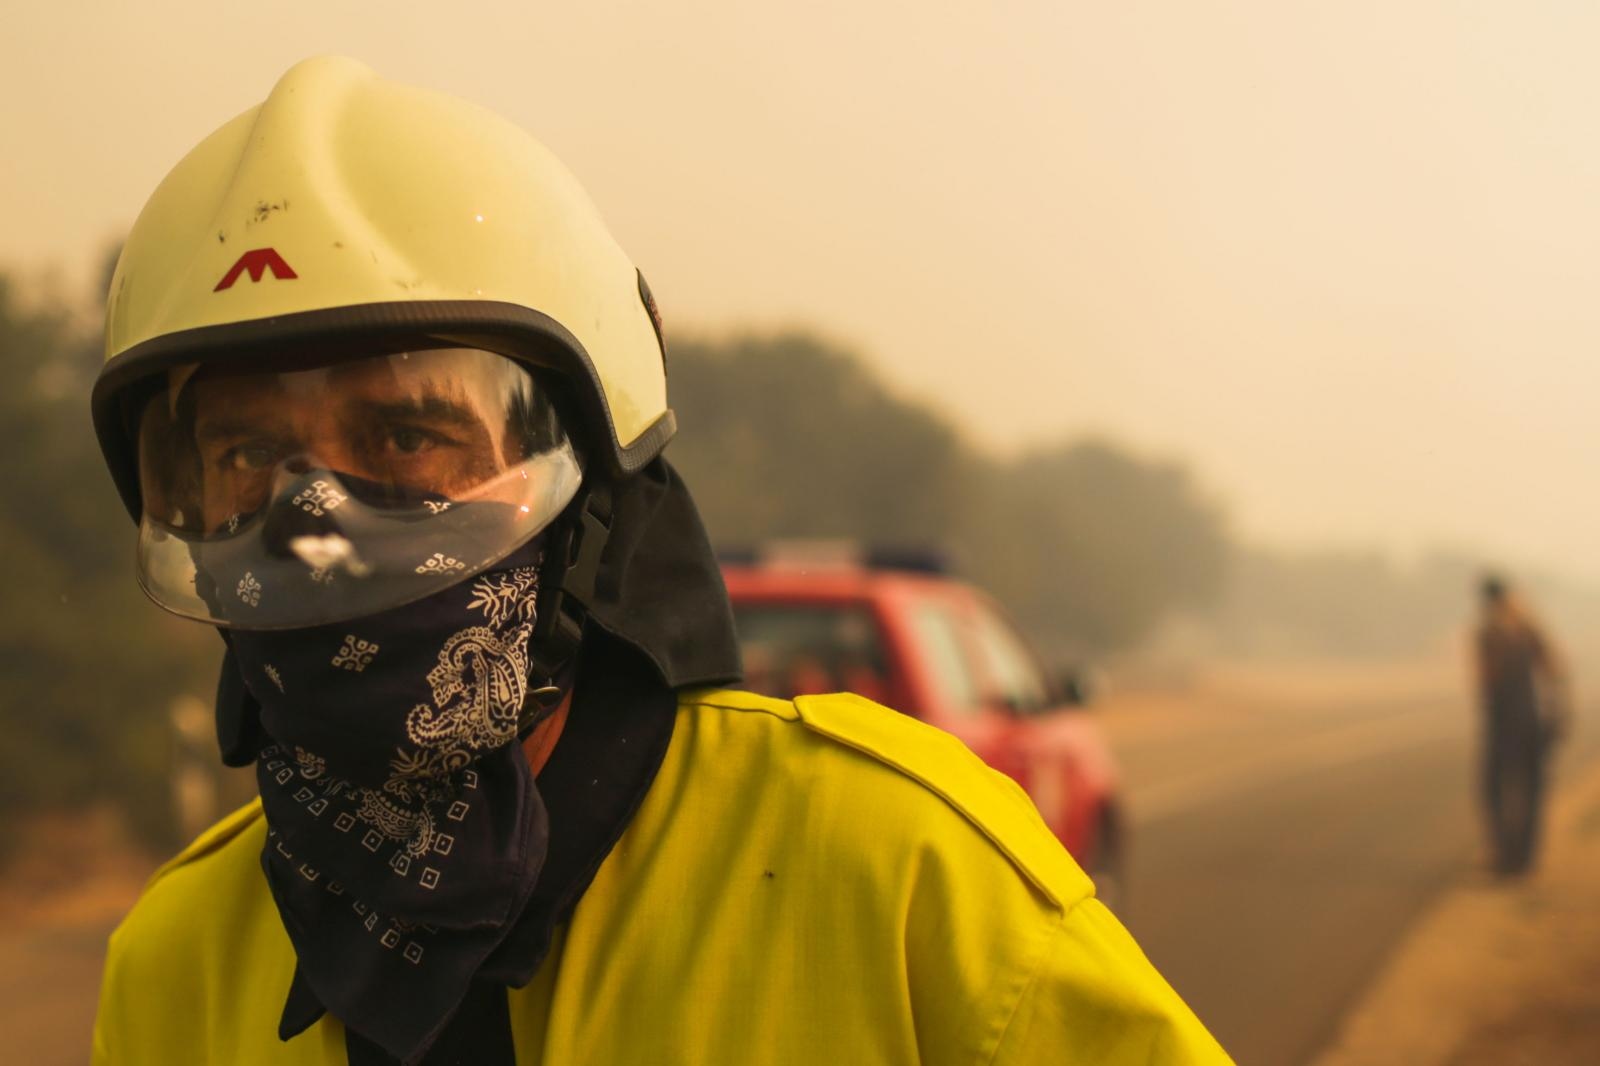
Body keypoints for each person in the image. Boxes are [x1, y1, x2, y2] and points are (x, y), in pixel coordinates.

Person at [89, 57, 1231, 1065]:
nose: (315, 532)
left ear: (593, 477)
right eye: (244, 454)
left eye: (404, 436)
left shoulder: (897, 869)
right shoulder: (178, 957)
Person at [1472, 574, 1570, 876]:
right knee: (1532, 790)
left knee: (1495, 790)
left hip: (1506, 726)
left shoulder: (1491, 633)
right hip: (1535, 722)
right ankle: (1524, 858)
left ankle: (1508, 856)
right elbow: (1555, 670)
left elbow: (1487, 679)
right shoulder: (1528, 627)